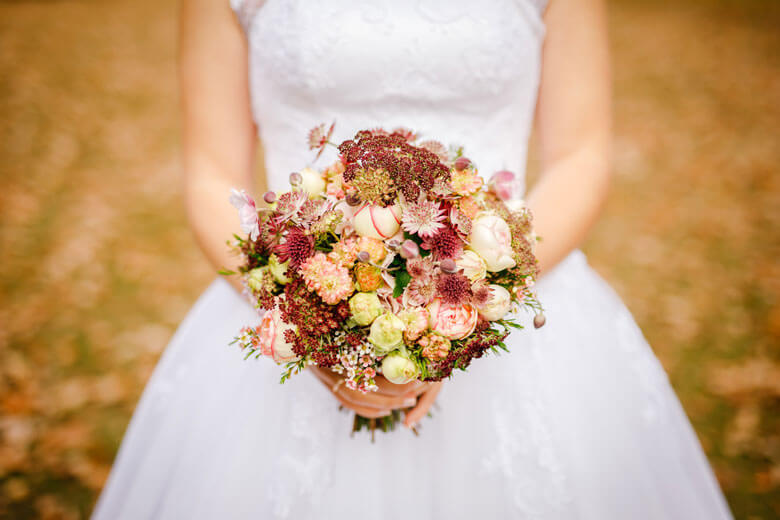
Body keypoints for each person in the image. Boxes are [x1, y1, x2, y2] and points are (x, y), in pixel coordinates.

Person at [92, 0, 734, 518]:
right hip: (288, 297)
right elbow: (211, 174)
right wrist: (305, 317)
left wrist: (479, 294)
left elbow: (581, 156)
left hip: (512, 305)